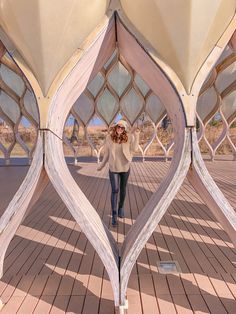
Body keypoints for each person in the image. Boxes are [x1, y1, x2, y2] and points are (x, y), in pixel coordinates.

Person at [97, 120, 140, 226]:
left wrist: (137, 135)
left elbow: (134, 149)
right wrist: (101, 165)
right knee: (115, 190)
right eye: (118, 127)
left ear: (124, 129)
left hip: (125, 167)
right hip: (113, 168)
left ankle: (120, 207)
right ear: (115, 127)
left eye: (122, 127)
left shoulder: (129, 137)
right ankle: (114, 215)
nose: (120, 129)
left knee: (123, 189)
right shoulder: (109, 138)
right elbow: (107, 153)